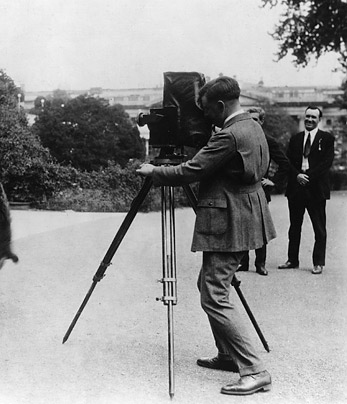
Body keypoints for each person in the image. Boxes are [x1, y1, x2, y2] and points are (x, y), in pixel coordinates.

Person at [136, 76, 274, 396]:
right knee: (209, 285)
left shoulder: (228, 136)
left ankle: (254, 369)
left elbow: (191, 171)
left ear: (221, 106)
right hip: (245, 216)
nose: (205, 116)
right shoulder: (252, 126)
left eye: (207, 109)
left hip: (228, 220)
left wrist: (154, 172)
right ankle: (228, 355)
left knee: (213, 294)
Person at [278, 106, 335, 275]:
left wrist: (307, 176)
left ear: (319, 120)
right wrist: (297, 176)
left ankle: (318, 263)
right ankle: (292, 260)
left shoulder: (327, 138)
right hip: (296, 189)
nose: (309, 120)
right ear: (304, 118)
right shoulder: (295, 139)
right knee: (294, 227)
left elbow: (326, 164)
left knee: (319, 227)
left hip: (316, 189)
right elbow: (288, 162)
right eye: (307, 117)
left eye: (313, 117)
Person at [237, 107, 292, 276]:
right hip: (241, 190)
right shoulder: (240, 139)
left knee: (260, 228)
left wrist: (272, 182)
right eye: (249, 120)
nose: (252, 124)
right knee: (242, 227)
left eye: (255, 120)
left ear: (261, 122)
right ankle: (243, 263)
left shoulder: (269, 140)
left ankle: (260, 263)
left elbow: (285, 164)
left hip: (260, 190)